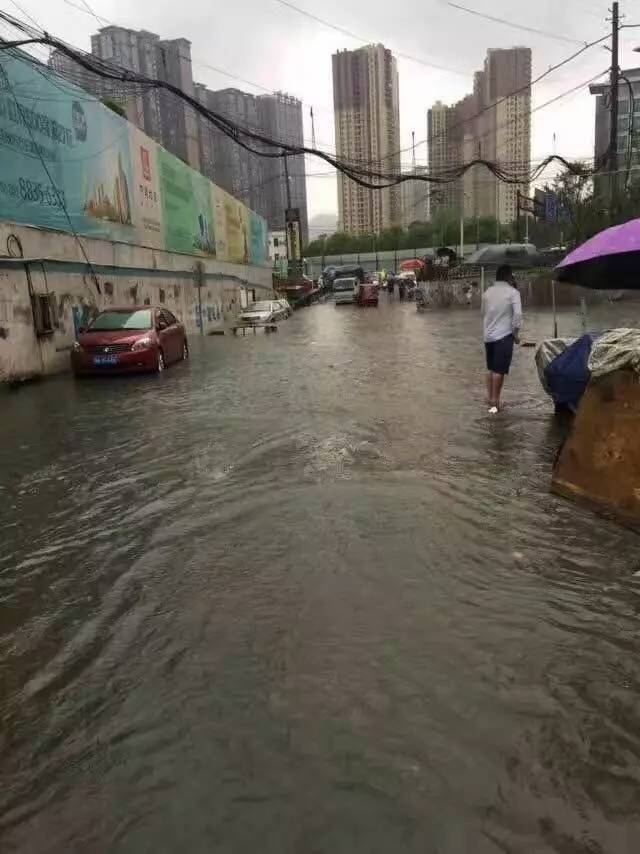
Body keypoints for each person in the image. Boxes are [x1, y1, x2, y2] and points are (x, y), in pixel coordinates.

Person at [481, 264, 522, 414]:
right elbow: (518, 316)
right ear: (508, 276)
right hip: (504, 335)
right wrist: (516, 334)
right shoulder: (513, 293)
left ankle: (490, 397)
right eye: (511, 275)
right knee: (499, 370)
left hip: (488, 336)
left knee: (491, 368)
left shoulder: (487, 292)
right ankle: (495, 403)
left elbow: (483, 313)